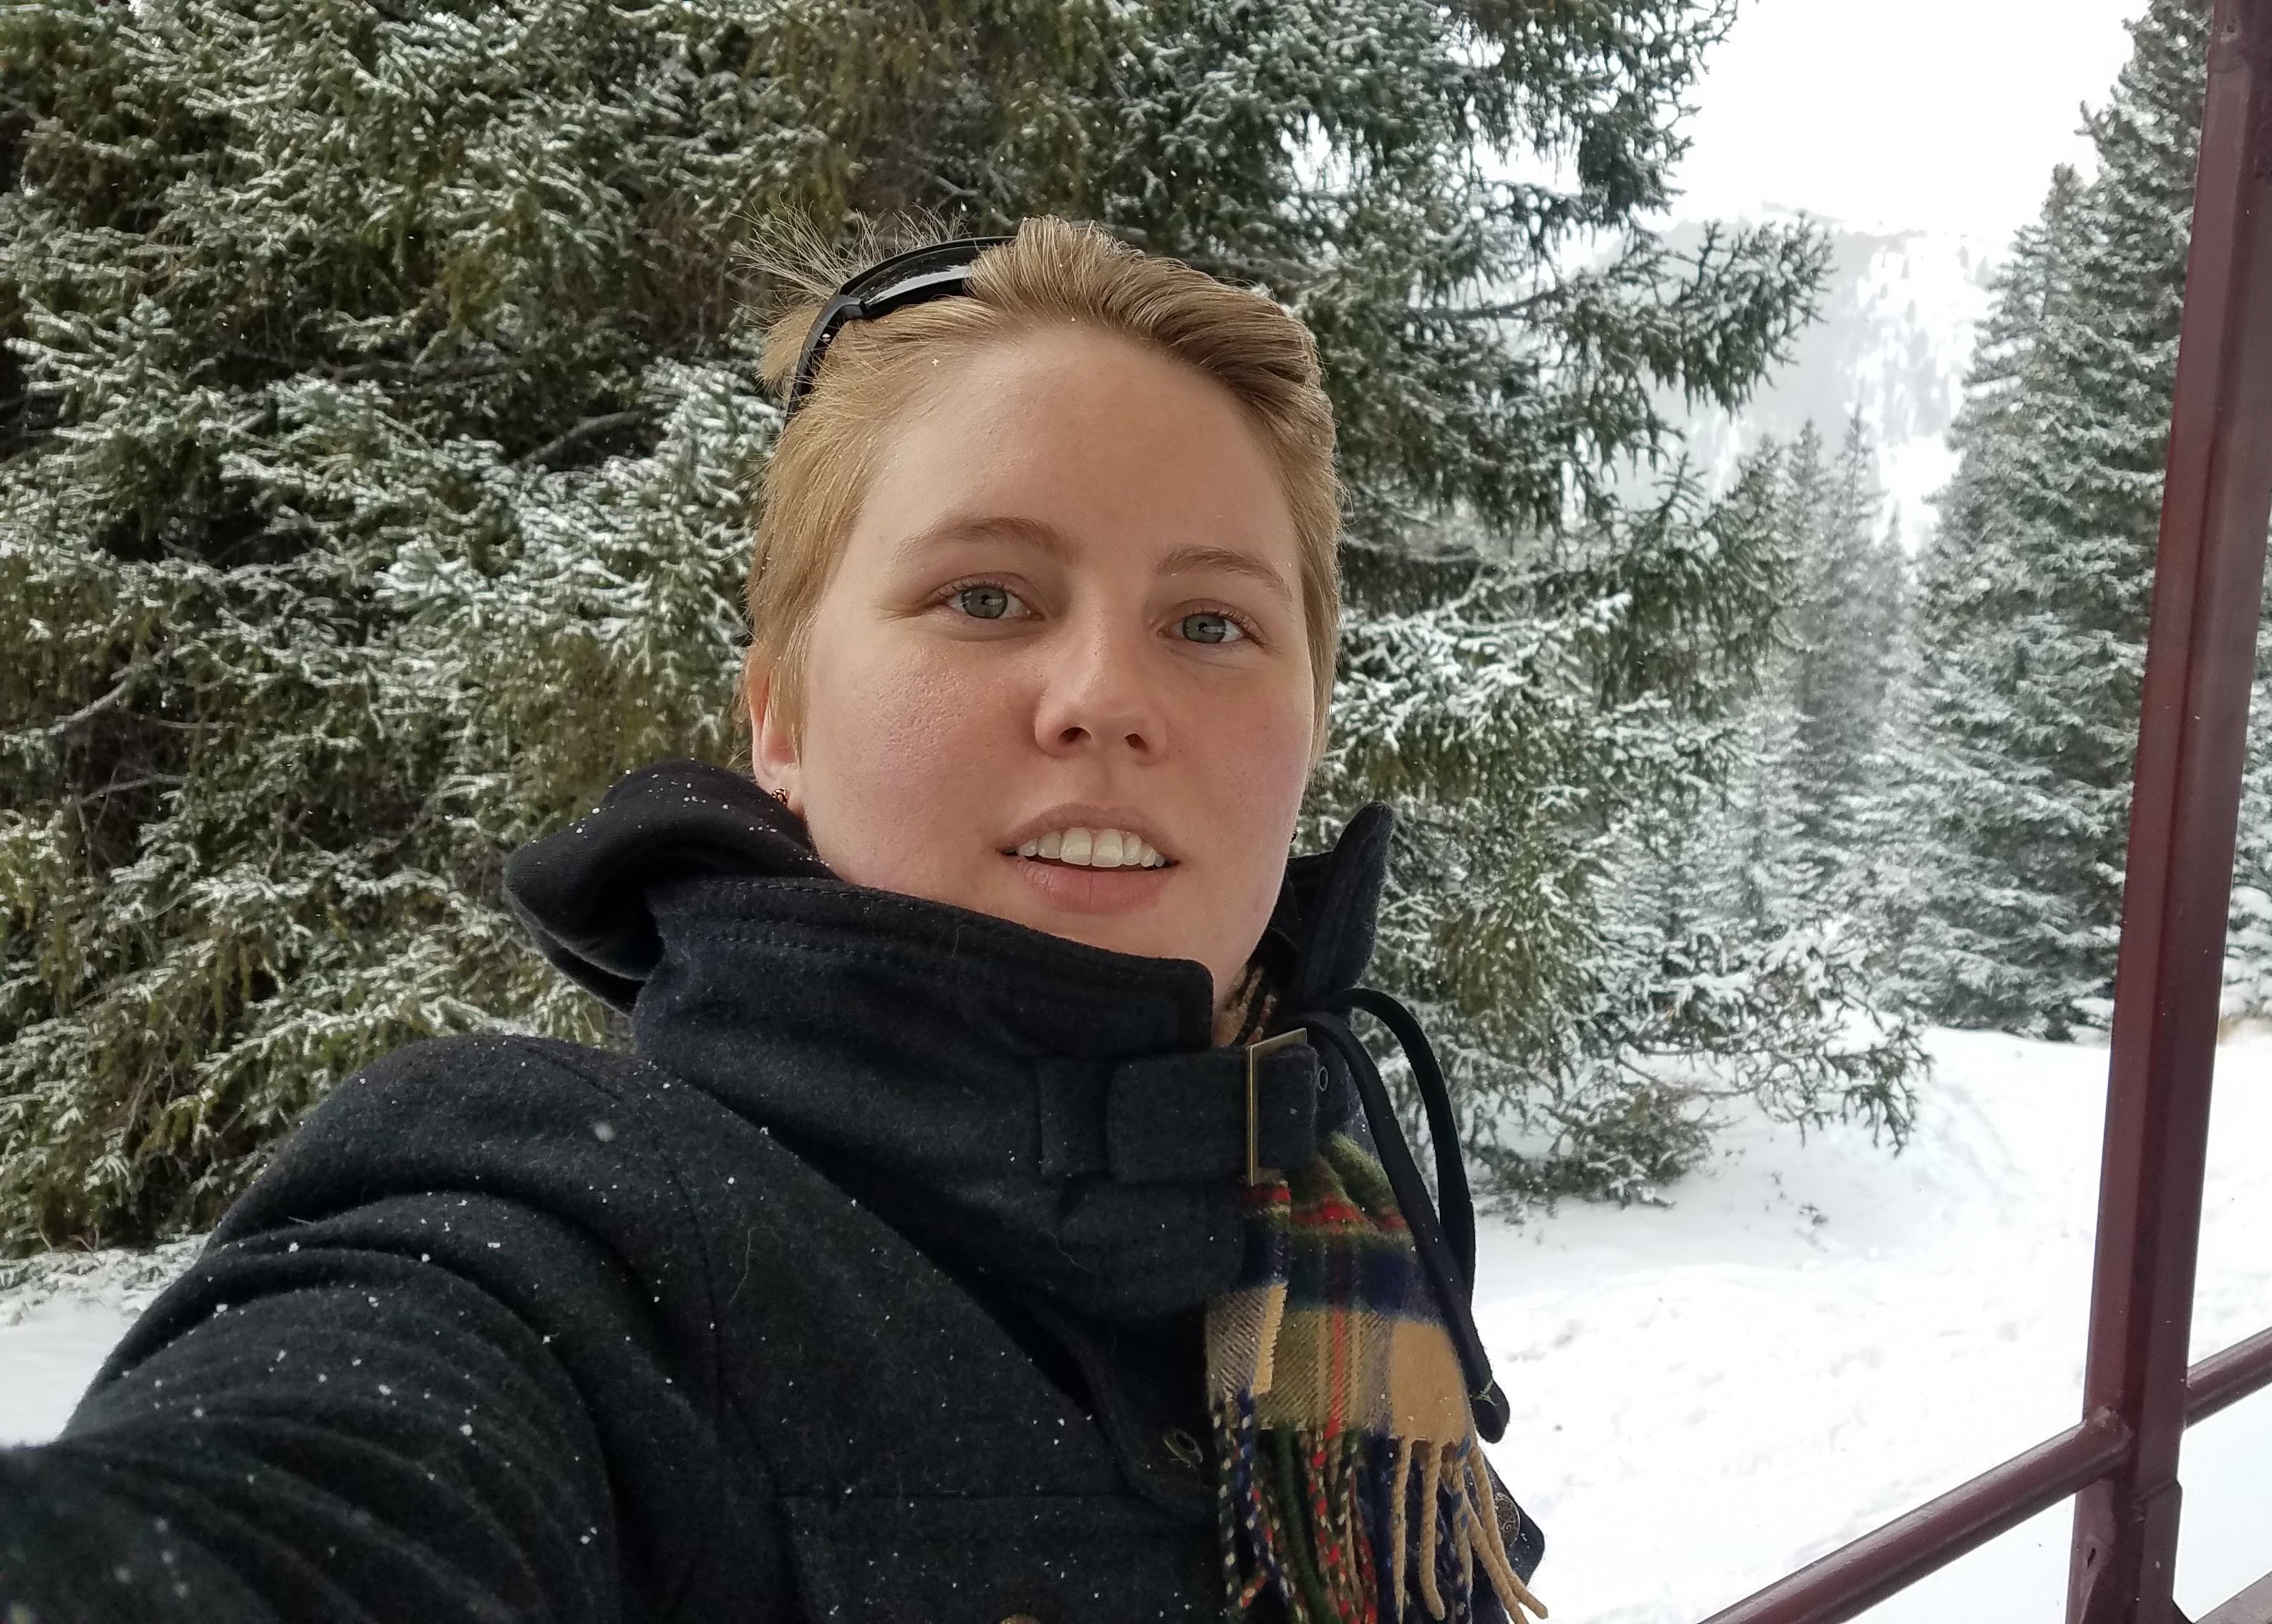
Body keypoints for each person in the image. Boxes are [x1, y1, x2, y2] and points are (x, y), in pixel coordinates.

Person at [0, 217, 1543, 1624]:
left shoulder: (1335, 1243)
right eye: (988, 598)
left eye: (1211, 624)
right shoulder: (567, 1230)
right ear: (779, 721)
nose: (1107, 701)